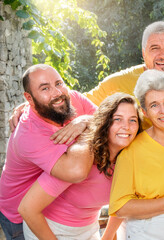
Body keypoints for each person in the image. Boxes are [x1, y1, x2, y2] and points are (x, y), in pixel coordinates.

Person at [8, 21, 164, 134]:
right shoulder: (121, 81)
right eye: (154, 48)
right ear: (143, 53)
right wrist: (31, 107)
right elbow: (78, 101)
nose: (163, 55)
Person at [18, 93, 142, 240]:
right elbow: (27, 209)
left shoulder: (130, 160)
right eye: (117, 119)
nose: (126, 127)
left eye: (132, 120)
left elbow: (120, 204)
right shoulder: (82, 158)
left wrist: (108, 237)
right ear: (105, 122)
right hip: (50, 229)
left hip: (88, 229)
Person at [0, 64, 97, 240]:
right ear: (29, 98)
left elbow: (109, 121)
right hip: (19, 216)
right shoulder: (28, 133)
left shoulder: (72, 98)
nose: (57, 93)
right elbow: (76, 171)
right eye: (45, 88)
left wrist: (86, 120)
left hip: (53, 206)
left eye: (59, 83)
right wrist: (89, 129)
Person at [108, 69, 164, 240]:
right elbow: (120, 207)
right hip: (147, 232)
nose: (163, 110)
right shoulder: (131, 150)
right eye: (154, 105)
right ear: (144, 112)